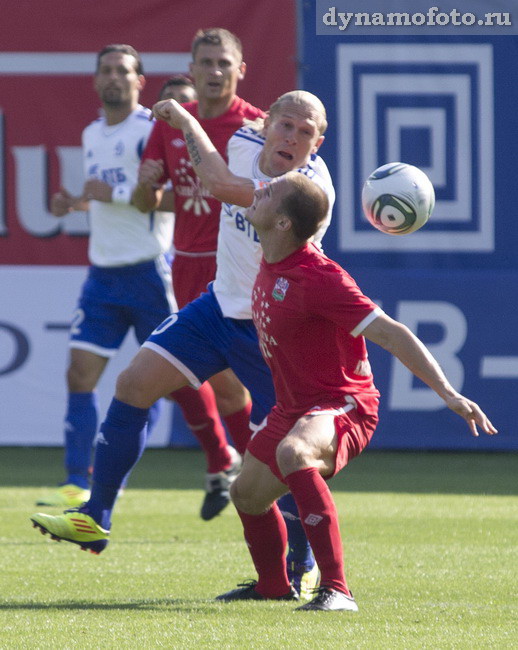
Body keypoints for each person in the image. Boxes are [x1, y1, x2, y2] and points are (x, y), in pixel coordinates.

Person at [30, 89, 334, 598]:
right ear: (266, 125)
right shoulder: (242, 141)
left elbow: (215, 182)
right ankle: (95, 515)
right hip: (217, 309)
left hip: (273, 329)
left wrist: (184, 121)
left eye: (306, 133)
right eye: (286, 125)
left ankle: (300, 567)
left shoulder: (308, 186)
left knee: (284, 457)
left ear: (317, 143)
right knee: (132, 383)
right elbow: (213, 169)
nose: (293, 138)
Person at [214, 172, 497, 611]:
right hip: (294, 409)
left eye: (269, 192)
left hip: (344, 406)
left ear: (284, 223)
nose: (258, 191)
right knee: (246, 494)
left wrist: (449, 393)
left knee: (295, 454)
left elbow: (394, 334)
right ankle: (272, 585)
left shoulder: (320, 277)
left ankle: (338, 590)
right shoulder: (268, 258)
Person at [133, 28, 264, 522]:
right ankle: (236, 463)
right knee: (176, 377)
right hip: (184, 266)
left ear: (239, 70)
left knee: (234, 386)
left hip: (234, 267)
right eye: (204, 63)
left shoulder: (254, 126)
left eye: (222, 63)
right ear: (191, 68)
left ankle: (258, 470)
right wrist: (146, 187)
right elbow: (148, 200)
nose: (213, 72)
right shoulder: (168, 125)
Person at [36, 44, 175, 508]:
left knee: (161, 381)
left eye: (123, 71)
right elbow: (106, 196)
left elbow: (174, 193)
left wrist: (111, 192)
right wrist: (74, 203)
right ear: (95, 81)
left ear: (140, 81)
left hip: (149, 270)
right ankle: (79, 477)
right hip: (103, 274)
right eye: (106, 71)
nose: (114, 78)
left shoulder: (150, 131)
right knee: (79, 374)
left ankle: (221, 455)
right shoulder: (92, 132)